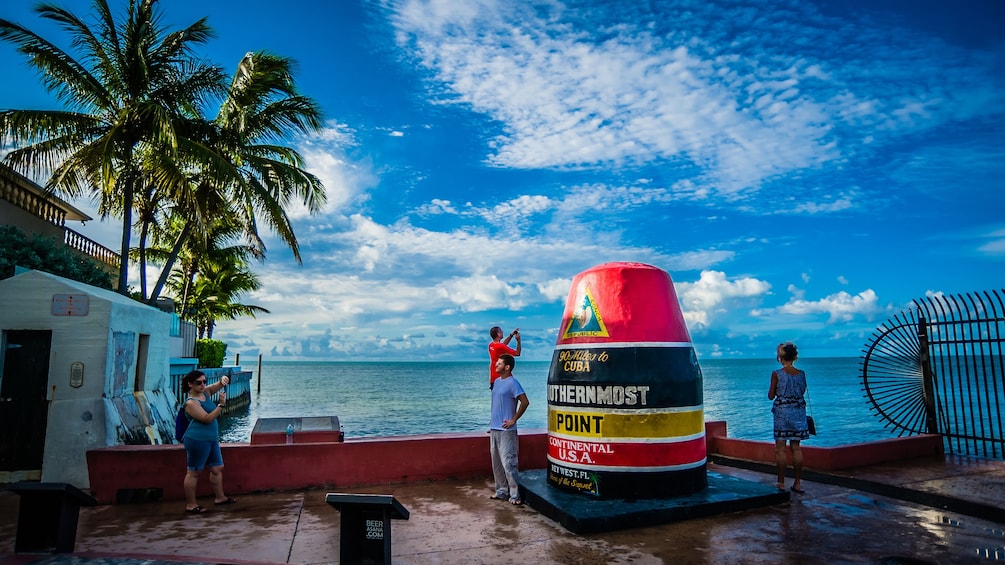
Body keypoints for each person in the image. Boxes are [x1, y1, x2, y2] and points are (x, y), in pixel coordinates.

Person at [181, 370, 235, 513]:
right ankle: (191, 505)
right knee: (194, 471)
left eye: (204, 381)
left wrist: (223, 380)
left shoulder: (205, 393)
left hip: (211, 439)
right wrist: (221, 405)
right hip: (197, 439)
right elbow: (207, 418)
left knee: (217, 468)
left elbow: (216, 386)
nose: (203, 384)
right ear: (190, 384)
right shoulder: (191, 403)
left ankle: (220, 497)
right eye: (199, 382)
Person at [768, 341, 809, 494]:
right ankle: (798, 483)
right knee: (796, 448)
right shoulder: (802, 374)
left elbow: (771, 395)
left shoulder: (776, 374)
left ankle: (780, 483)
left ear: (780, 357)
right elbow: (802, 391)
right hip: (798, 411)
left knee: (780, 449)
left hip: (782, 413)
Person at [488, 353, 530, 505]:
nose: (495, 365)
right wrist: (492, 422)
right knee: (497, 463)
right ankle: (501, 492)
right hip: (494, 428)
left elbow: (525, 402)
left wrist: (514, 419)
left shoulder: (513, 383)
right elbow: (497, 404)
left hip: (507, 430)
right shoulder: (497, 382)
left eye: (498, 364)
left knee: (509, 463)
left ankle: (515, 495)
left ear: (507, 367)